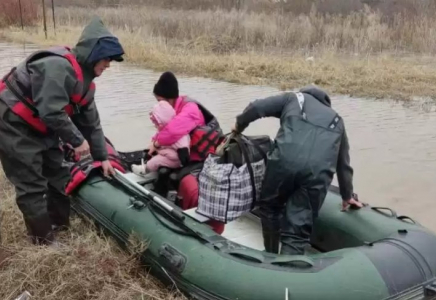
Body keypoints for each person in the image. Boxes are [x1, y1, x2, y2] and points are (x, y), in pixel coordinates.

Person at [0, 16, 124, 246]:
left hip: (42, 126)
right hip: (13, 122)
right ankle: (44, 242)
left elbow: (91, 123)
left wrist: (103, 158)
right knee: (32, 184)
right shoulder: (57, 66)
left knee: (58, 174)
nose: (108, 65)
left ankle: (59, 225)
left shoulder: (86, 83)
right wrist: (77, 141)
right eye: (106, 59)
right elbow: (51, 112)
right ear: (93, 54)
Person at [232, 85, 364, 255]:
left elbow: (257, 108)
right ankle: (288, 273)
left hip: (283, 164)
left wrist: (239, 125)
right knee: (297, 232)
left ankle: (271, 255)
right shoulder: (337, 120)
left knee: (270, 208)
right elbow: (343, 162)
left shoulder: (293, 98)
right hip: (316, 176)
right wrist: (347, 196)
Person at [150, 71, 225, 234]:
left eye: (159, 101)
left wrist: (156, 143)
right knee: (159, 168)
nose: (158, 106)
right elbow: (166, 127)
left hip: (199, 157)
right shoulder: (176, 105)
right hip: (184, 153)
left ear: (169, 98)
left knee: (178, 179)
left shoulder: (189, 110)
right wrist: (154, 143)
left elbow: (172, 131)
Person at [131, 101, 190, 176]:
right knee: (156, 155)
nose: (155, 125)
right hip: (167, 153)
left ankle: (144, 170)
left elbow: (183, 143)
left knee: (156, 161)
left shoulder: (174, 132)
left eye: (156, 123)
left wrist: (183, 157)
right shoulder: (165, 130)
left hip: (175, 160)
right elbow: (157, 138)